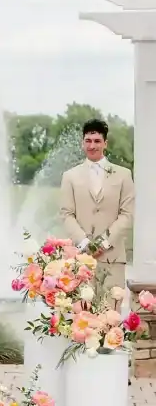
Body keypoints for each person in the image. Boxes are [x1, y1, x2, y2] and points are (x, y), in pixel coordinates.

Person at [59, 119, 135, 291]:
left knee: (111, 315)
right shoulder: (70, 176)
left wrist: (104, 243)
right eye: (88, 141)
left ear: (105, 143)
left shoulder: (123, 175)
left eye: (97, 141)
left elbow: (127, 214)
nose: (92, 146)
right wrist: (85, 243)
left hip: (113, 259)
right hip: (80, 260)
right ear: (82, 143)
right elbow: (66, 214)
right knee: (82, 315)